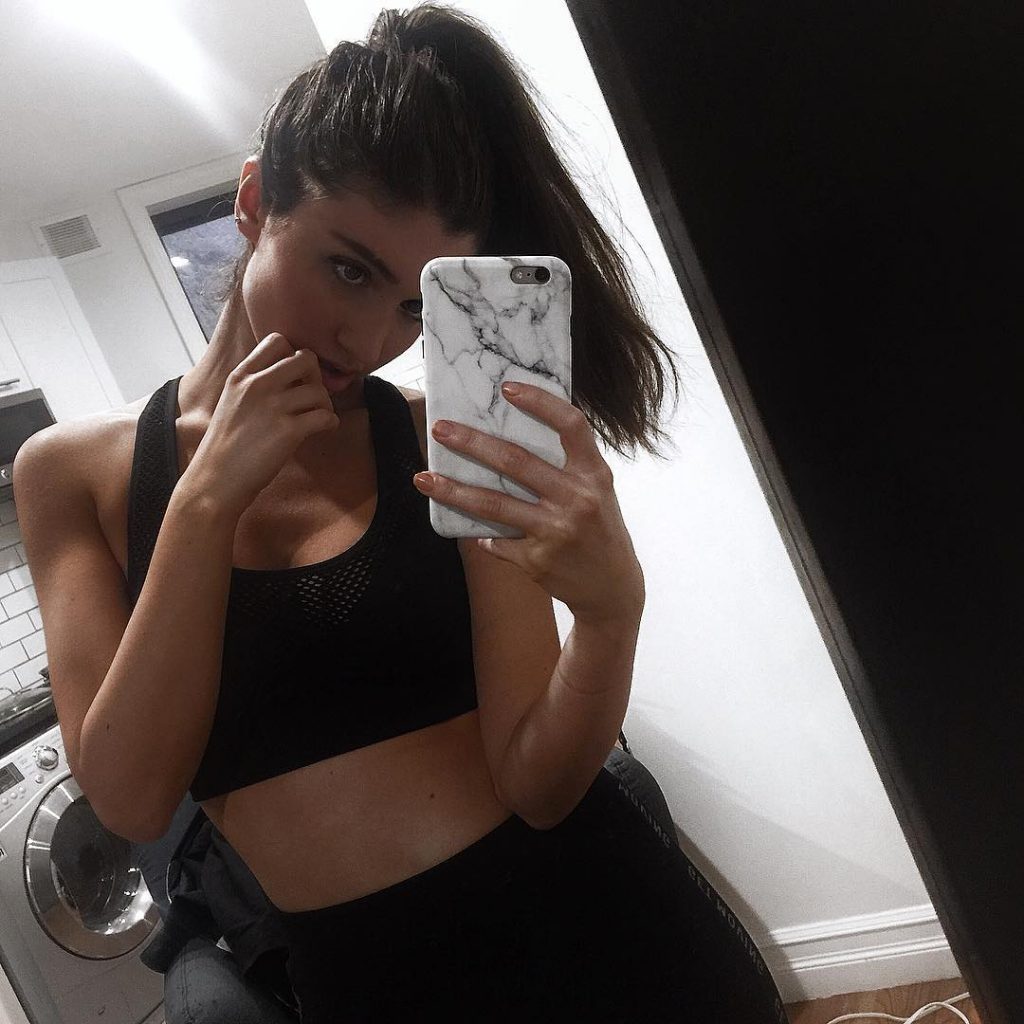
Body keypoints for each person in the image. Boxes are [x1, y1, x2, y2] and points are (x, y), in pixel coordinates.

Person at [14, 4, 789, 1022]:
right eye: (348, 269)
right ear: (253, 202)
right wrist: (203, 504)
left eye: (417, 306)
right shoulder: (74, 473)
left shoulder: (443, 441)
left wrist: (611, 615)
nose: (370, 337)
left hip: (606, 944)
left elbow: (540, 785)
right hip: (373, 990)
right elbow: (130, 798)